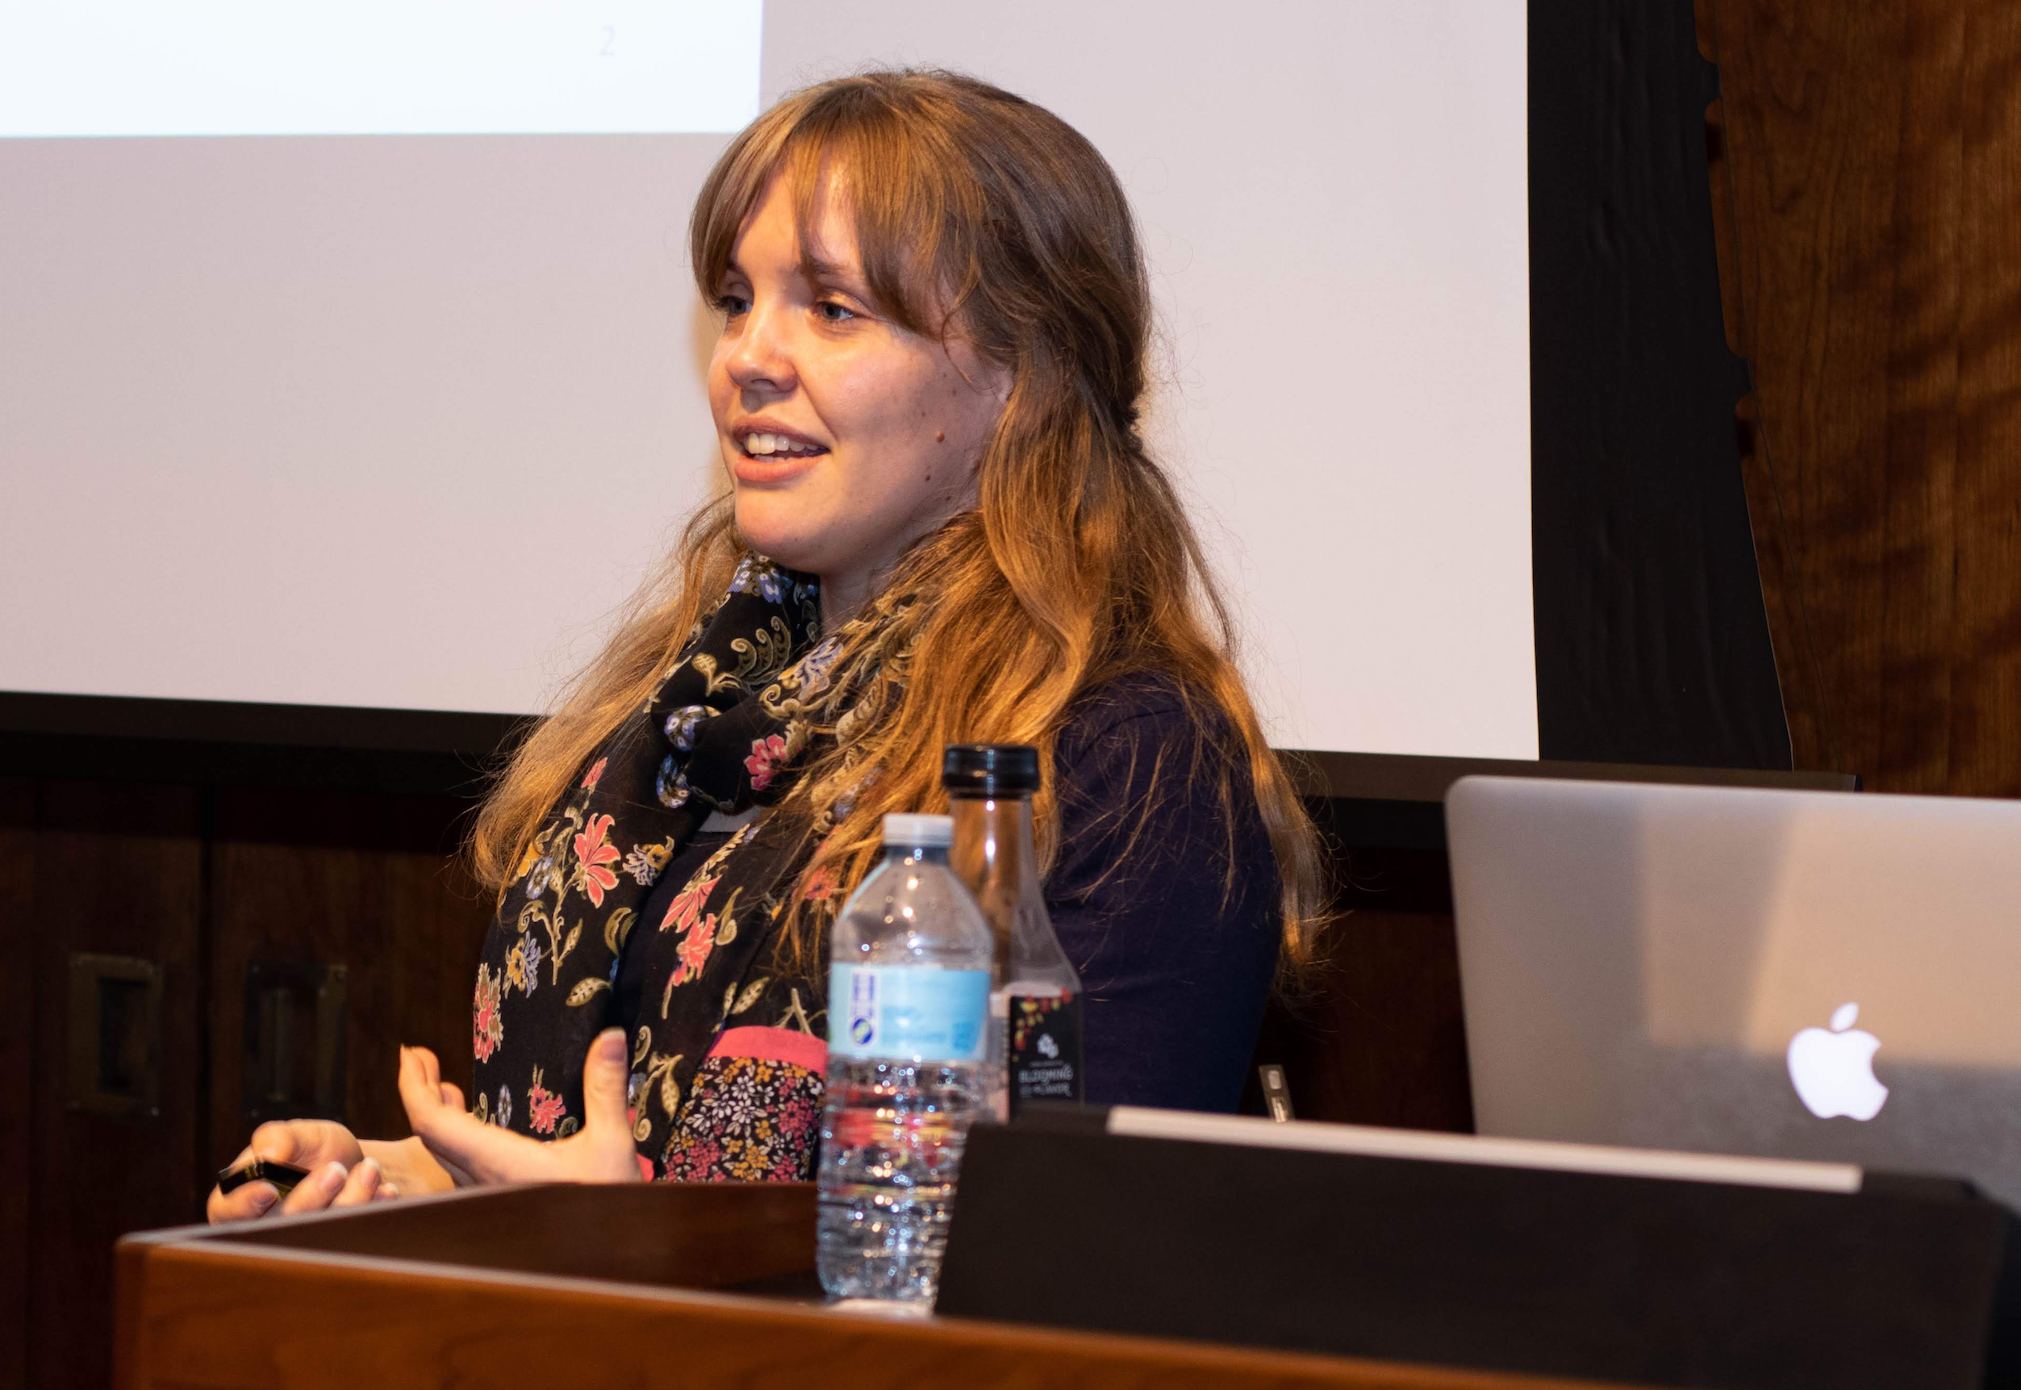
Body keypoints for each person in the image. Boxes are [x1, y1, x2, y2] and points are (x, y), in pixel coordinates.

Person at [207, 68, 1324, 1222]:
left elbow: (1063, 1258)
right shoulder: (686, 721)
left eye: (832, 309)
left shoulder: (1121, 767)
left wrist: (632, 1242)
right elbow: (630, 1135)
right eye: (738, 299)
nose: (746, 354)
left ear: (1021, 380)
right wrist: (417, 1180)